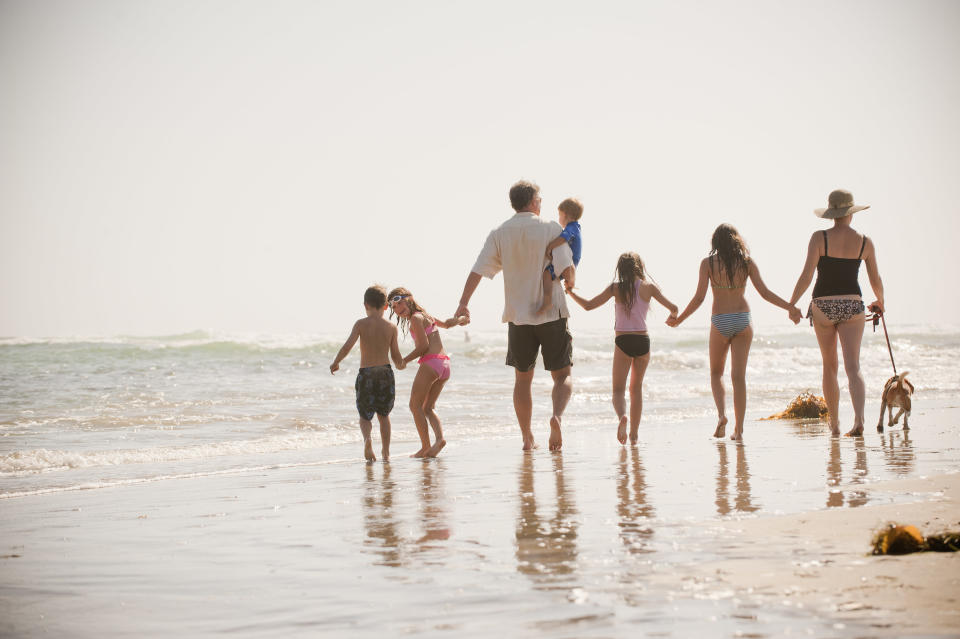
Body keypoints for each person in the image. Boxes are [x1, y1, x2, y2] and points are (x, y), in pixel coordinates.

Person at [455, 179, 576, 452]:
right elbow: (566, 267)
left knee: (523, 380)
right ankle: (556, 416)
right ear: (533, 202)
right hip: (552, 313)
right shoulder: (550, 229)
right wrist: (571, 281)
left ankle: (526, 437)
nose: (542, 203)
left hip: (518, 317)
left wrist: (463, 303)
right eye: (540, 199)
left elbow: (478, 270)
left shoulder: (500, 233)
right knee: (562, 375)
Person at [668, 224, 802, 440]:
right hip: (742, 319)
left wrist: (679, 320)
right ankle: (738, 430)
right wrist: (791, 307)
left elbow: (699, 298)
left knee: (716, 373)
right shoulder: (746, 263)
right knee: (738, 377)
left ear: (715, 243)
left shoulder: (708, 264)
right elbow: (765, 293)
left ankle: (722, 415)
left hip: (720, 320)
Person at [787, 189, 884, 437]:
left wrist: (792, 304)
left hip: (823, 305)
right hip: (853, 304)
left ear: (832, 214)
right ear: (850, 213)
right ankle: (859, 420)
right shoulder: (865, 242)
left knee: (830, 365)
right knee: (854, 367)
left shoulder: (819, 238)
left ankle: (835, 424)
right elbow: (875, 279)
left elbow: (807, 276)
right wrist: (881, 302)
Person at [566, 252, 678, 445]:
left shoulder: (615, 288)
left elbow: (588, 306)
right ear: (639, 267)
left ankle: (622, 418)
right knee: (636, 389)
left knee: (618, 391)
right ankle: (634, 435)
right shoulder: (649, 288)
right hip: (643, 341)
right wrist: (673, 317)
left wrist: (571, 293)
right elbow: (674, 307)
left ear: (620, 269)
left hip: (623, 341)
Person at [388, 287, 469, 458]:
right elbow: (447, 324)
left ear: (409, 298)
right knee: (427, 407)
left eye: (399, 302)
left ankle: (425, 447)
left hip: (431, 362)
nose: (398, 309)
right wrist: (461, 318)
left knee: (414, 405)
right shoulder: (426, 316)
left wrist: (404, 361)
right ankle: (439, 440)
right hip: (444, 364)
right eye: (393, 307)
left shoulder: (416, 319)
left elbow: (423, 347)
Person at [330, 284, 404, 461]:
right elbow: (395, 355)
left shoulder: (361, 324)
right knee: (384, 416)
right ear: (386, 306)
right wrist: (402, 364)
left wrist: (336, 362)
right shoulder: (391, 327)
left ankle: (367, 440)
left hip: (367, 372)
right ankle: (385, 452)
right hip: (385, 373)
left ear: (365, 305)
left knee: (365, 416)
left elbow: (348, 345)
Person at [536, 197, 584, 316]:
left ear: (566, 215)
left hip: (570, 262)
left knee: (546, 274)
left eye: (559, 215)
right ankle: (569, 284)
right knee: (555, 276)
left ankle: (547, 301)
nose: (559, 218)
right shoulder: (576, 227)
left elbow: (563, 238)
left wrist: (550, 246)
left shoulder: (571, 227)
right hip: (571, 261)